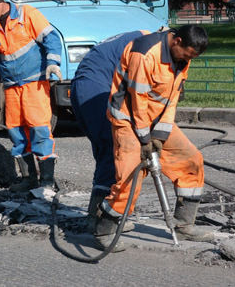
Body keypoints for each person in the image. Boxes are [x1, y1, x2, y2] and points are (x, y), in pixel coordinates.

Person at [93, 25, 213, 250]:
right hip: (128, 120)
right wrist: (145, 139)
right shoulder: (146, 53)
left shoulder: (183, 58)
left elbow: (171, 100)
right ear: (176, 41)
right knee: (130, 178)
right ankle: (103, 231)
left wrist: (160, 134)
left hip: (155, 120)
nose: (188, 60)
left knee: (191, 161)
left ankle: (184, 224)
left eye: (192, 57)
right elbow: (137, 101)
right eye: (187, 55)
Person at [0, 0, 62, 192]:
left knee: (39, 128)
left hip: (34, 84)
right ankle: (29, 179)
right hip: (12, 89)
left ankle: (48, 181)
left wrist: (53, 62)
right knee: (16, 132)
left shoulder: (27, 14)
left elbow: (51, 38)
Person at [70, 29, 151, 231]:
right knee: (112, 149)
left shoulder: (139, 38)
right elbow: (139, 91)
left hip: (85, 86)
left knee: (106, 151)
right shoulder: (148, 48)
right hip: (96, 89)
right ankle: (99, 218)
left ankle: (97, 215)